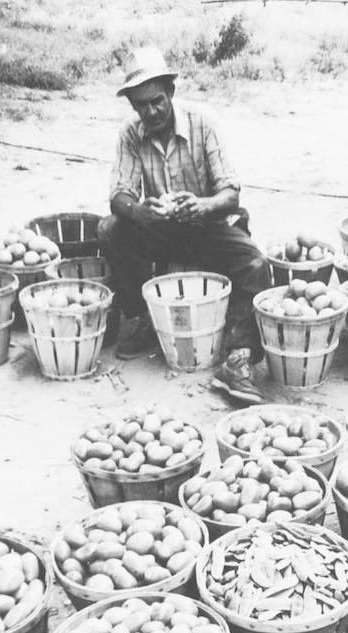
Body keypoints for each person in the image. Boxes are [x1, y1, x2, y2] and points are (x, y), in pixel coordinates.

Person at [98, 46, 271, 404]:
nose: (151, 111)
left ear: (171, 92)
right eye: (141, 105)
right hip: (160, 229)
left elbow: (231, 193)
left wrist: (203, 205)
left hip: (207, 226)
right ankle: (143, 317)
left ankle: (236, 360)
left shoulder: (203, 121)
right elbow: (119, 195)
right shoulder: (131, 132)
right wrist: (139, 212)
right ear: (132, 106)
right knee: (109, 229)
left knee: (256, 262)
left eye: (157, 101)